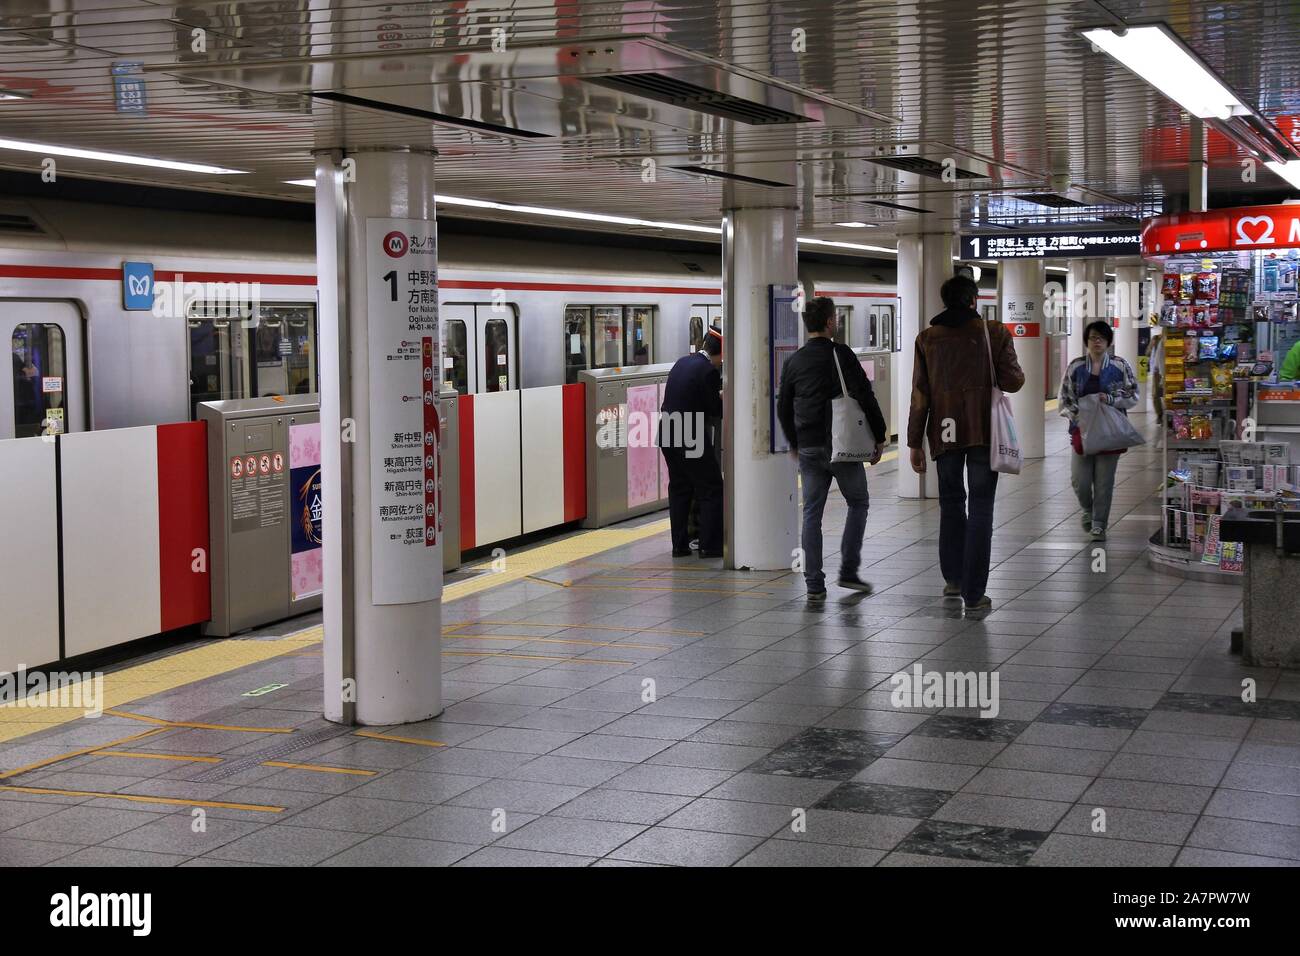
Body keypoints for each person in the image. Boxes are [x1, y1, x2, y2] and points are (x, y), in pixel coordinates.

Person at [907, 275, 1025, 613]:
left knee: (951, 505)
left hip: (943, 435)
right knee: (981, 509)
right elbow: (1014, 381)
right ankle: (974, 594)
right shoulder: (995, 332)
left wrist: (914, 442)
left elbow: (920, 396)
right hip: (983, 433)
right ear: (974, 300)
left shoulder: (926, 339)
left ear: (945, 302)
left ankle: (953, 579)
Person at [777, 296, 886, 601]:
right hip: (841, 446)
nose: (836, 321)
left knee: (812, 514)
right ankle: (848, 571)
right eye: (835, 317)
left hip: (809, 447)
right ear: (827, 322)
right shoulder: (841, 354)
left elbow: (783, 406)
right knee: (858, 502)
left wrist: (794, 442)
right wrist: (879, 435)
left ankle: (814, 584)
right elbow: (864, 395)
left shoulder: (793, 361)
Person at [1059, 320, 1139, 542]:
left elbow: (1134, 394)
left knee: (1104, 482)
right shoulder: (1075, 367)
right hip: (1081, 432)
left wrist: (1112, 399)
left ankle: (1099, 524)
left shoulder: (1120, 366)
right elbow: (1064, 398)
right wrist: (1079, 417)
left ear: (1108, 342)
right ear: (1086, 341)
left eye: (1101, 338)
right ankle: (1088, 509)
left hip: (1110, 432)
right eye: (1093, 337)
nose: (1097, 342)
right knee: (1079, 480)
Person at [659, 328, 723, 558]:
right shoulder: (708, 370)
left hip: (666, 428)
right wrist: (721, 398)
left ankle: (680, 546)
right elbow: (715, 409)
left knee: (679, 488)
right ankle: (710, 546)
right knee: (711, 487)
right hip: (689, 431)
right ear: (720, 353)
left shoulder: (682, 362)